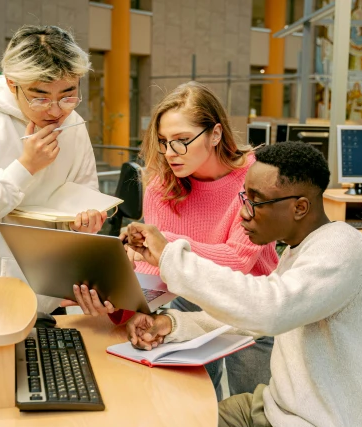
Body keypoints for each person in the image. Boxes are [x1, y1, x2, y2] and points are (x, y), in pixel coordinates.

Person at [118, 142, 362, 427]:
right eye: (244, 197)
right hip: (277, 410)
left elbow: (269, 310)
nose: (244, 212)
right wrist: (172, 325)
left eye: (257, 201)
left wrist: (171, 256)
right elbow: (251, 320)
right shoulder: (300, 250)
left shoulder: (342, 250)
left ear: (300, 207)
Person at [73, 81, 279, 400]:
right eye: (164, 142)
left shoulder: (257, 179)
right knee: (190, 408)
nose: (170, 153)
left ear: (215, 134)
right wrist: (127, 306)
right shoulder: (161, 184)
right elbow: (154, 267)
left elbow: (239, 261)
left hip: (250, 302)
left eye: (182, 141)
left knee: (254, 408)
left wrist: (165, 246)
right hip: (188, 297)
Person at [0, 25, 106, 315]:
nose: (56, 110)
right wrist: (26, 167)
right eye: (41, 97)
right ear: (11, 83)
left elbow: (86, 194)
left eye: (68, 95)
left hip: (50, 291)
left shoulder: (74, 124)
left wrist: (86, 222)